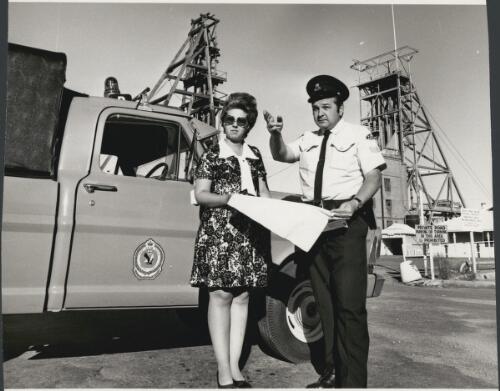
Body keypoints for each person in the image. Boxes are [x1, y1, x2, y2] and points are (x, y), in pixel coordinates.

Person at [264, 75, 386, 388]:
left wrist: (355, 202)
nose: (320, 112)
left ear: (340, 108)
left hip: (347, 223)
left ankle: (354, 382)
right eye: (316, 107)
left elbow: (373, 176)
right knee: (325, 303)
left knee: (350, 306)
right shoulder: (307, 138)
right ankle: (331, 373)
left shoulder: (359, 135)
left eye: (326, 106)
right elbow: (281, 155)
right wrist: (275, 134)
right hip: (313, 224)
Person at [191, 92, 271, 389]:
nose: (235, 124)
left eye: (241, 120)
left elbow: (264, 192)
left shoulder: (255, 155)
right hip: (220, 232)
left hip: (250, 234)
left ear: (248, 124)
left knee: (243, 297)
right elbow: (201, 194)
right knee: (221, 296)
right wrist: (230, 199)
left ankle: (236, 367)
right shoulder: (212, 154)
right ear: (222, 122)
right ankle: (223, 370)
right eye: (230, 120)